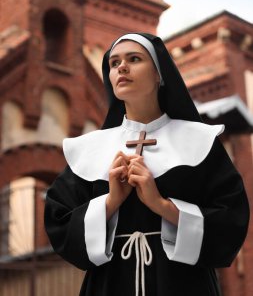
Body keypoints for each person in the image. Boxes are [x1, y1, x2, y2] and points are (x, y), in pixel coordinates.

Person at [44, 33, 249, 296]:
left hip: (184, 285)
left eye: (134, 59)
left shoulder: (199, 141)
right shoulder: (90, 148)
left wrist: (163, 206)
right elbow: (58, 222)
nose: (122, 67)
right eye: (114, 63)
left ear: (159, 74)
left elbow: (231, 220)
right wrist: (110, 202)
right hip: (110, 284)